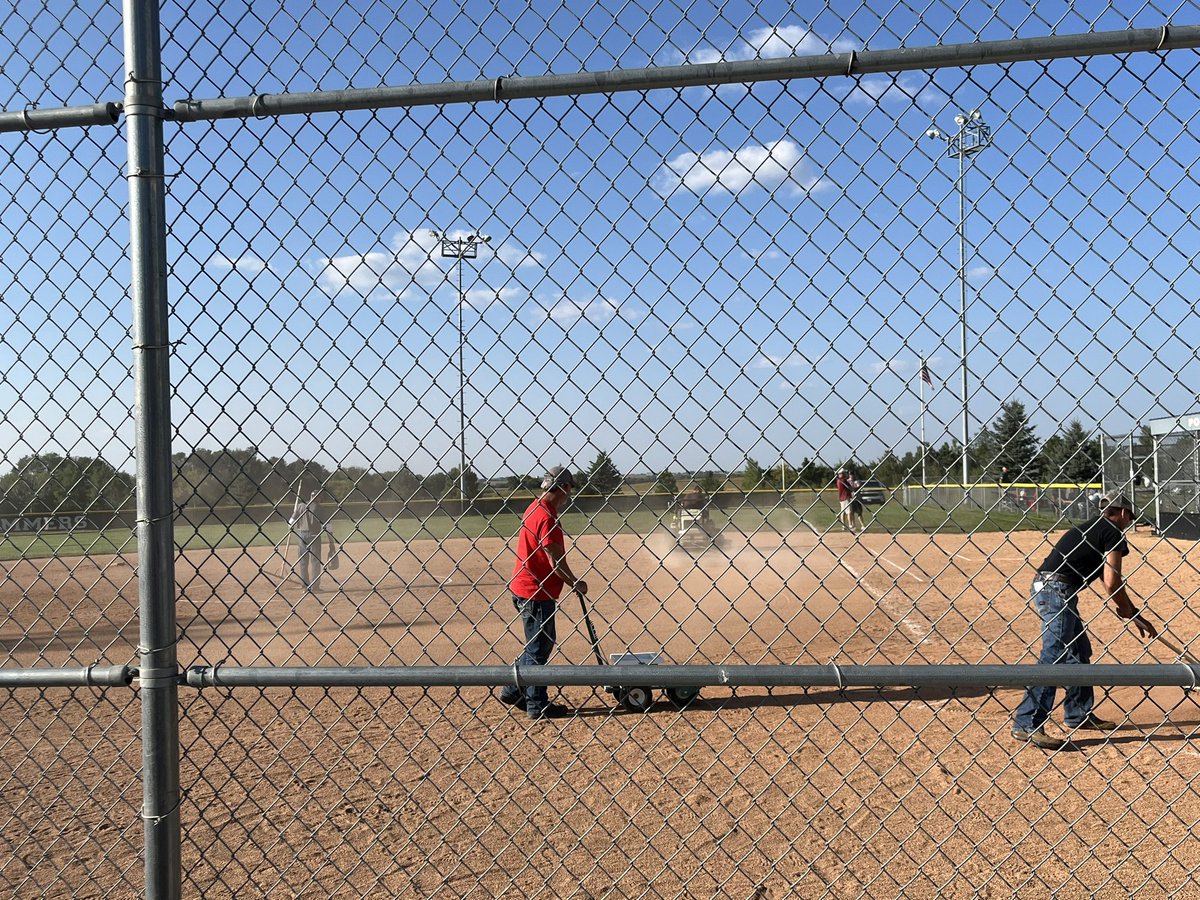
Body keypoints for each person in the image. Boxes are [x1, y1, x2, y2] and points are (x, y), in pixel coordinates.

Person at [1012, 494, 1157, 750]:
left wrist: (1130, 610)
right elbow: (1112, 581)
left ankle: (1078, 713)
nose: (1129, 522)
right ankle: (1027, 723)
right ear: (1122, 513)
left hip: (1051, 587)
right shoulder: (1112, 532)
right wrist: (1129, 610)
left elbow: (1105, 578)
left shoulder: (1091, 528)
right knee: (1054, 654)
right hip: (1057, 590)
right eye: (1129, 518)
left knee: (1078, 651)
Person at [498, 466, 588, 721]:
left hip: (525, 588)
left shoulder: (535, 507)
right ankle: (535, 702)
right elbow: (556, 562)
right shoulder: (547, 517)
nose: (568, 494)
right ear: (564, 488)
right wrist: (575, 583)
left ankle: (515, 689)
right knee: (539, 648)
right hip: (535, 592)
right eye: (569, 489)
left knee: (540, 644)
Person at [288, 489, 335, 593]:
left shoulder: (300, 506)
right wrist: (331, 541)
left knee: (303, 562)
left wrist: (295, 515)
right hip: (314, 535)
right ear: (318, 497)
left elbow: (290, 523)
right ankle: (315, 587)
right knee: (315, 562)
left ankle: (305, 586)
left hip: (301, 536)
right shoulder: (320, 508)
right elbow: (328, 526)